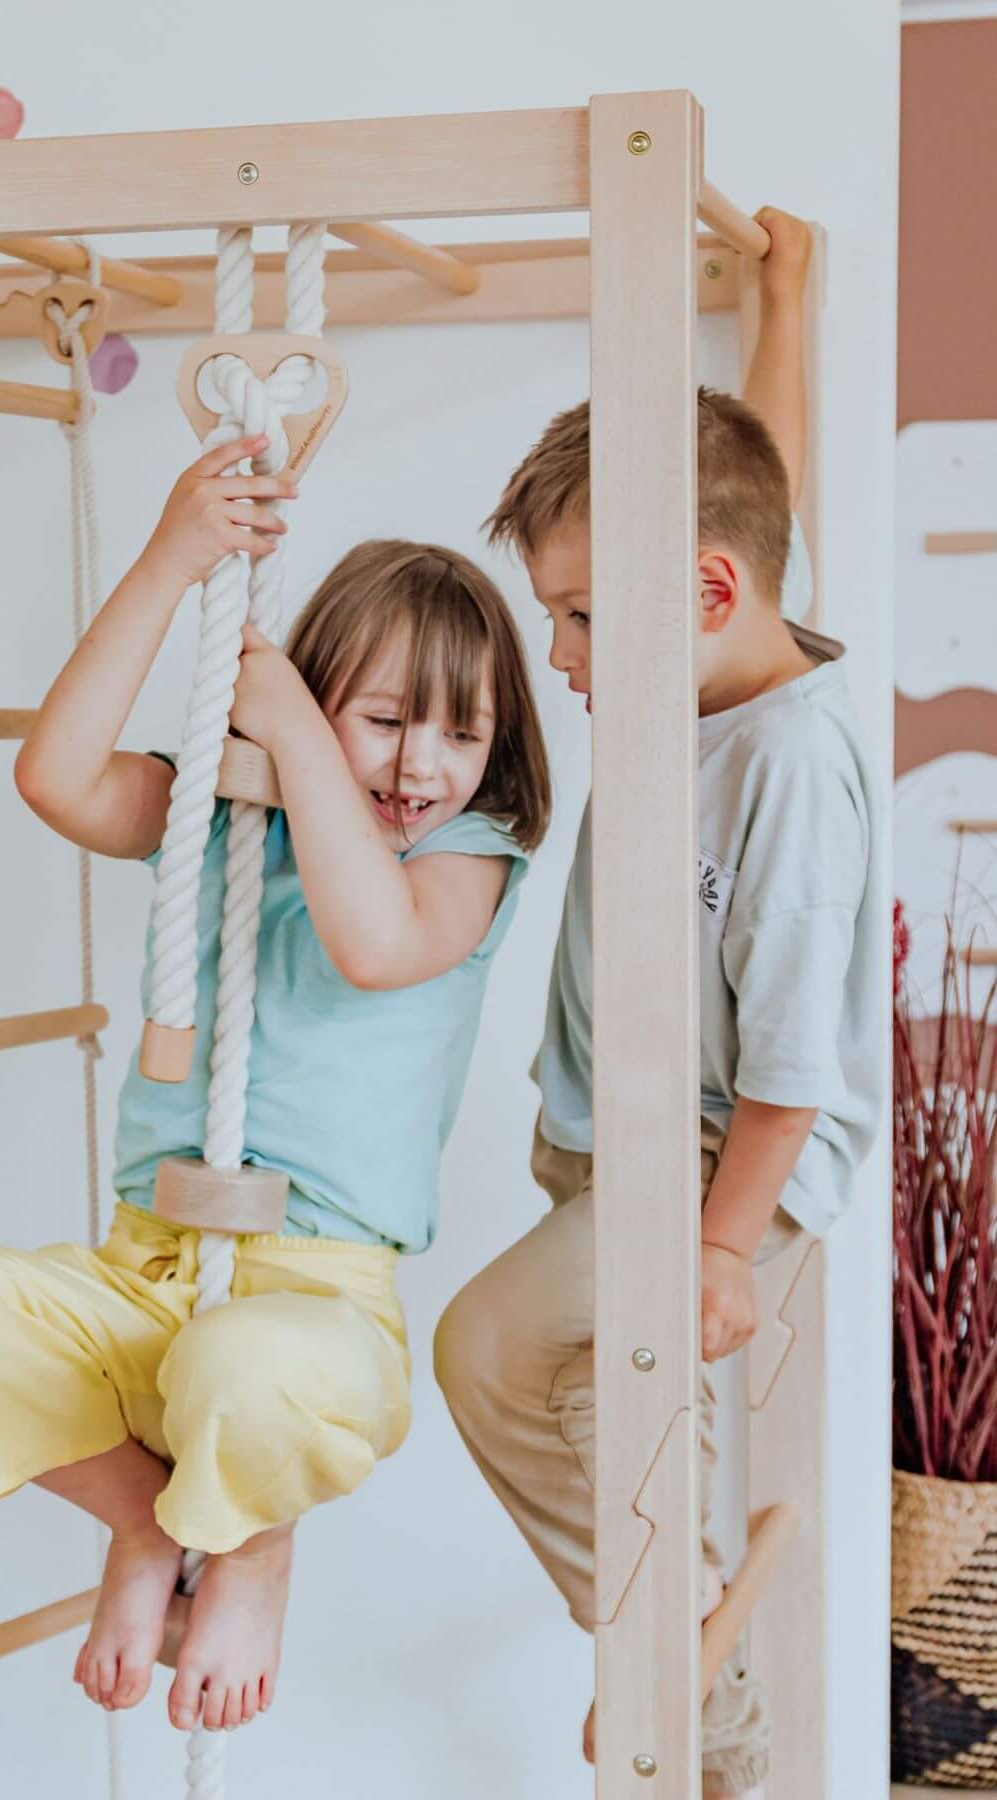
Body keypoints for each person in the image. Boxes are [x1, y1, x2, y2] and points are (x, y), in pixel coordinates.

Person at [0, 433, 551, 1734]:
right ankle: (150, 1525)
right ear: (310, 699)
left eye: (462, 731)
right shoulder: (223, 817)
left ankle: (248, 1548)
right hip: (144, 1268)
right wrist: (173, 561)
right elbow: (55, 778)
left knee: (246, 1367)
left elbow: (372, 946)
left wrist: (298, 728)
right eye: (384, 720)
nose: (421, 765)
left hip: (314, 1306)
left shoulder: (466, 858)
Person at [434, 209, 878, 1797]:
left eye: (577, 614)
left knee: (489, 1354)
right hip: (615, 1131)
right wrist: (784, 297)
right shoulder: (715, 632)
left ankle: (680, 1663)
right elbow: (772, 480)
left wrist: (721, 1248)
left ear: (701, 590)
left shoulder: (785, 767)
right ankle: (699, 1658)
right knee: (590, 1393)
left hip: (713, 1156)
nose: (556, 653)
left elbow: (796, 1066)